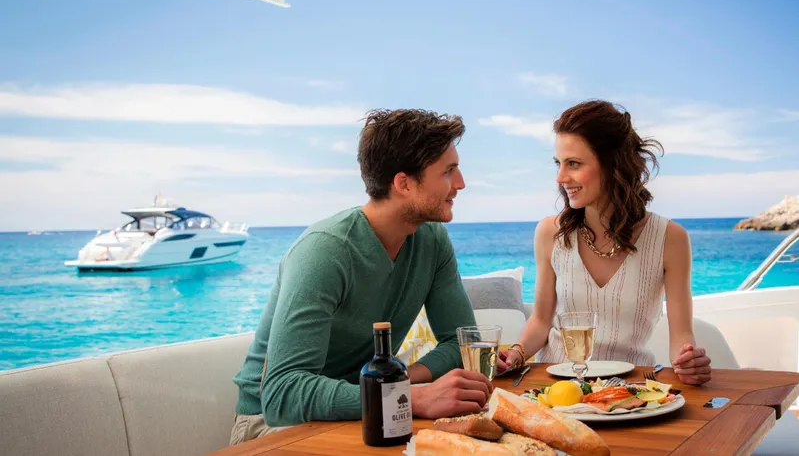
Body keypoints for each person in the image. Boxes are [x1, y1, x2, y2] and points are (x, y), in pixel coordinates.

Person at [229, 108, 493, 445]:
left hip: (366, 411)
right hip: (269, 426)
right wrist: (410, 397)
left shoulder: (432, 240)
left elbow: (459, 342)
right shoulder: (324, 251)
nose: (461, 183)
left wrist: (396, 387)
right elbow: (283, 395)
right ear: (404, 184)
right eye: (448, 171)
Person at [500, 100, 712, 386]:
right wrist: (516, 353)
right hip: (556, 391)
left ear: (613, 164)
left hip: (630, 392)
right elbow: (540, 320)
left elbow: (682, 334)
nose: (561, 178)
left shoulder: (670, 239)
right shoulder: (550, 232)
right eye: (559, 164)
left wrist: (688, 361)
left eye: (573, 163)